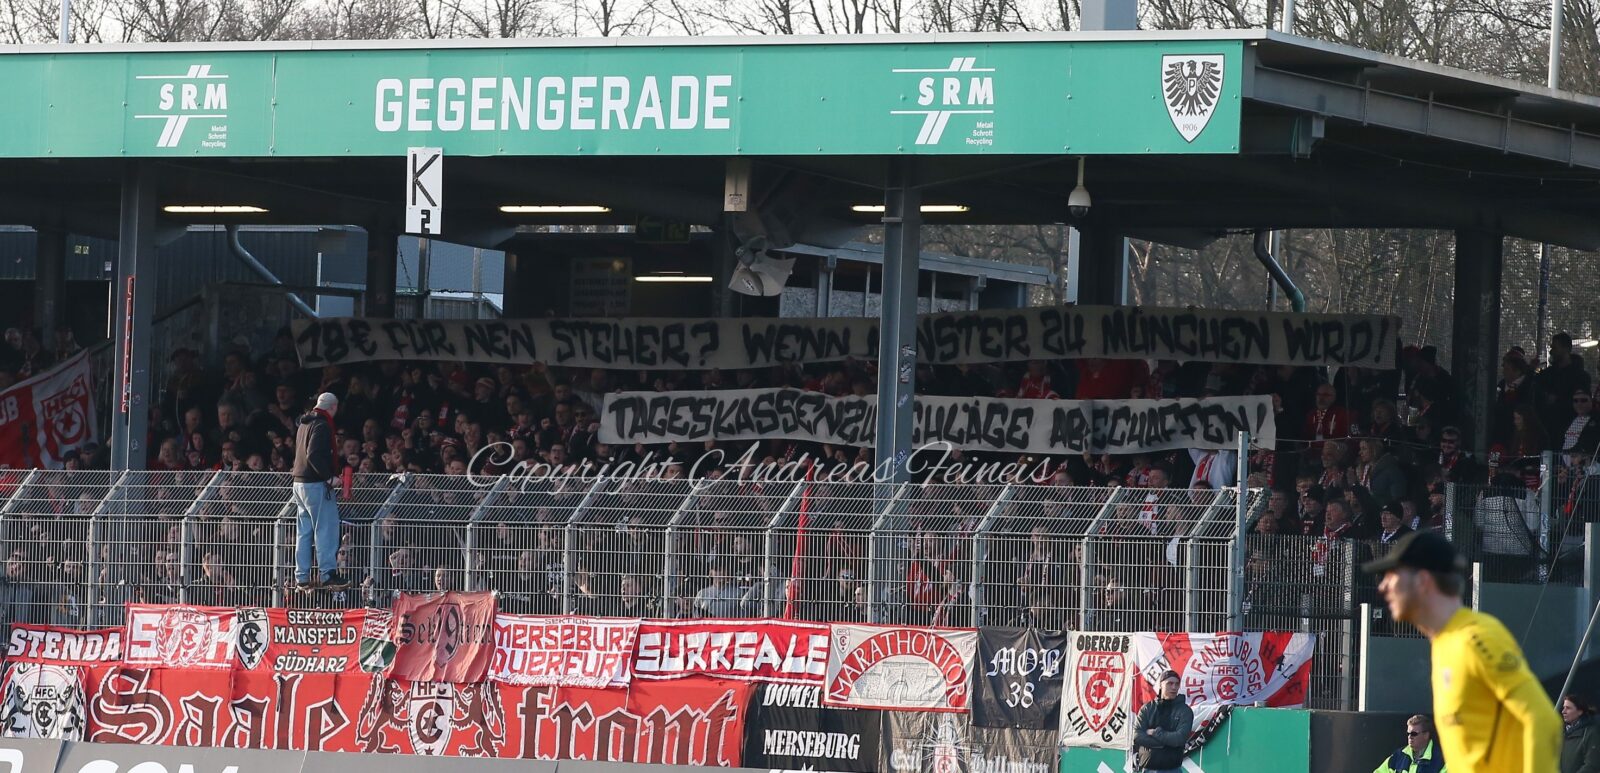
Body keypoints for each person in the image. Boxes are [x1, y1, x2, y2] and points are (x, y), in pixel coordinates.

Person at [1366, 530, 1561, 772]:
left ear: (1423, 581)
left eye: (1393, 575)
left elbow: (1542, 721)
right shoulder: (1444, 644)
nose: (1383, 586)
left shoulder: (1476, 638)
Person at [291, 392, 348, 591]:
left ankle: (302, 576)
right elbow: (314, 455)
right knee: (325, 529)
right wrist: (329, 477)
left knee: (304, 532)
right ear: (333, 407)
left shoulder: (304, 423)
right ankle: (328, 574)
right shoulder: (322, 425)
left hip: (299, 483)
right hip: (315, 484)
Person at [1132, 669, 1193, 773]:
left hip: (1172, 769)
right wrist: (1165, 742)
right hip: (1147, 769)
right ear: (1161, 685)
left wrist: (1155, 733)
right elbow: (1137, 736)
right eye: (1170, 683)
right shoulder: (1147, 708)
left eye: (1177, 684)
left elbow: (1179, 738)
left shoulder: (1185, 711)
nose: (1174, 687)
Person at [1372, 715, 1445, 773]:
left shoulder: (1441, 760)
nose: (1410, 737)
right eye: (1408, 733)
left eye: (1414, 733)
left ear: (1426, 735)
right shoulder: (1398, 756)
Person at [1562, 693, 1600, 773]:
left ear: (1579, 711)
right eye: (1563, 708)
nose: (1563, 711)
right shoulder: (1560, 733)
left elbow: (1592, 765)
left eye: (1568, 708)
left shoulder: (1590, 733)